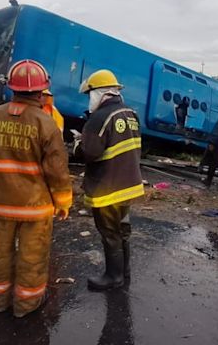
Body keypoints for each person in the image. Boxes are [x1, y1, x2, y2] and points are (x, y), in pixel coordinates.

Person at [0, 59, 73, 318]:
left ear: (11, 88)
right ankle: (26, 305)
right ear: (42, 91)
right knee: (32, 255)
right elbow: (57, 171)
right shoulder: (46, 123)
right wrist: (63, 202)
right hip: (34, 209)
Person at [74, 69, 144, 290]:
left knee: (109, 232)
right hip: (128, 184)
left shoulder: (100, 117)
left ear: (99, 93)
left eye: (90, 94)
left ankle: (113, 277)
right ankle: (125, 272)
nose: (89, 99)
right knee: (122, 230)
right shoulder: (130, 113)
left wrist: (78, 144)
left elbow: (90, 153)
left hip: (107, 188)